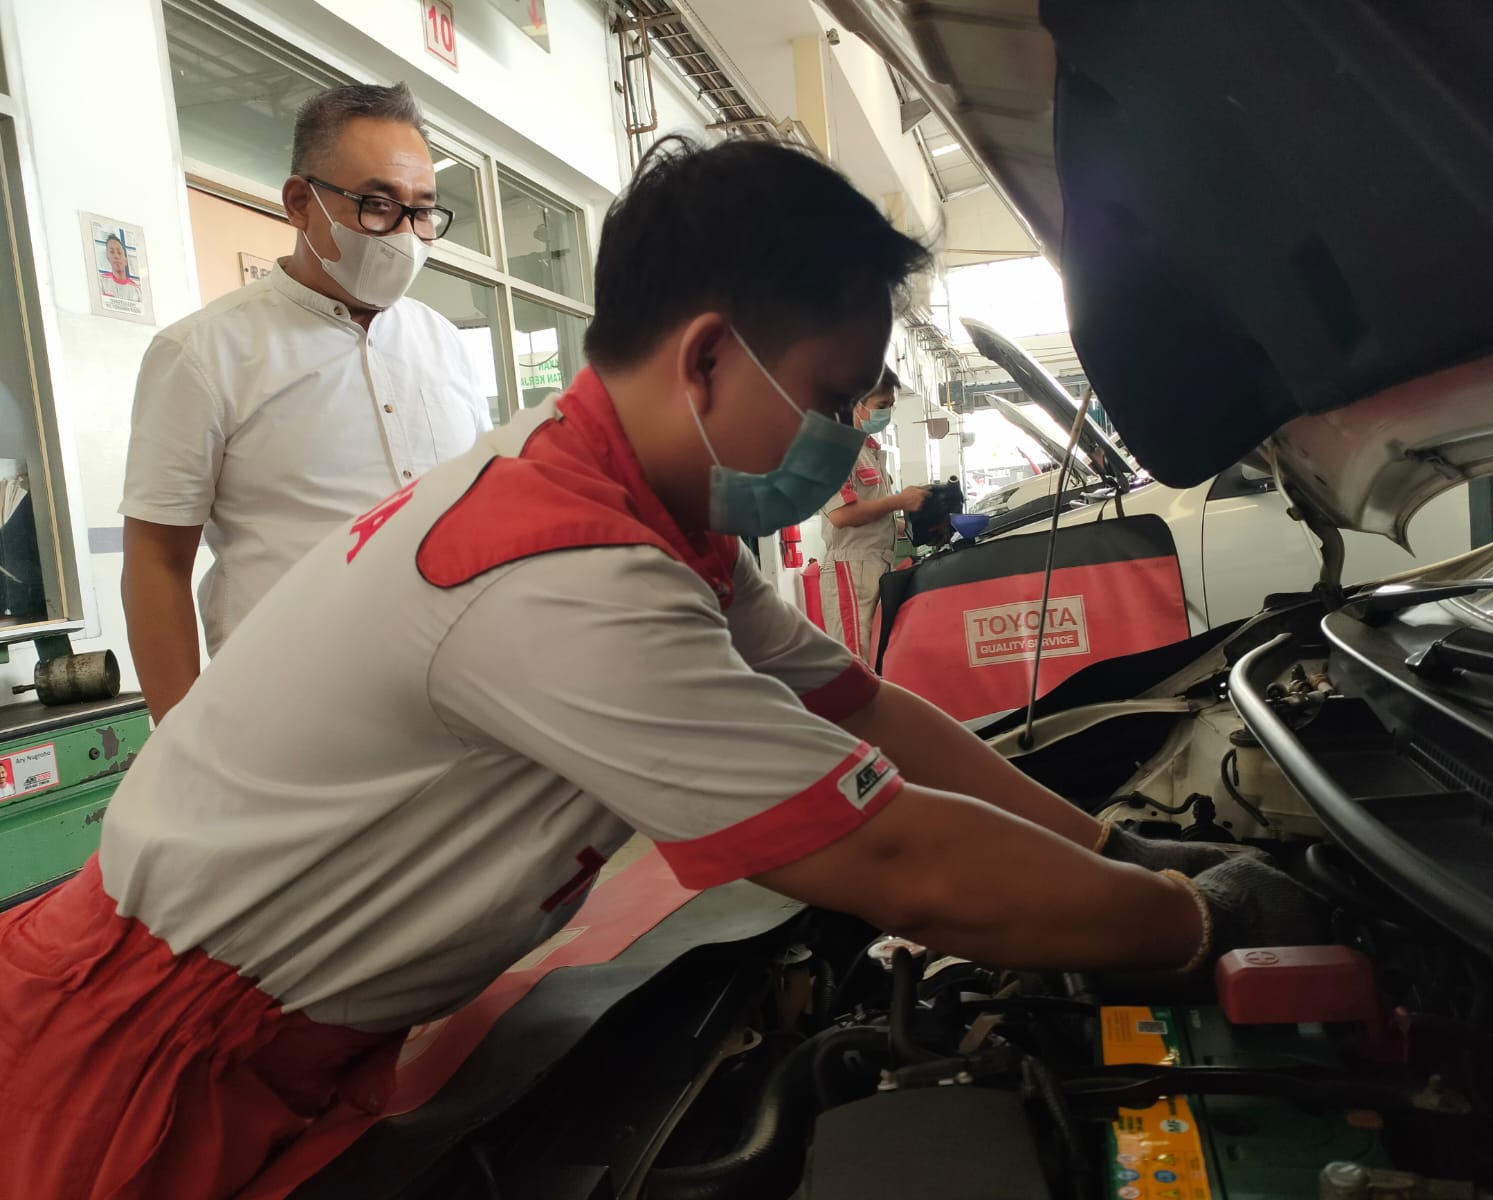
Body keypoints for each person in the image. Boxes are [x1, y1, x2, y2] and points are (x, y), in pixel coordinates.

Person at [0, 137, 1318, 1200]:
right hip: (137, 1075)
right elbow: (894, 860)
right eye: (837, 393)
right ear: (705, 355)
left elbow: (860, 706)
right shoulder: (567, 573)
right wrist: (1200, 928)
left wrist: (1116, 851)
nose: (854, 438)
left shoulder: (626, 499)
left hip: (276, 1037)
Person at [118, 82, 489, 723]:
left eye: (422, 210)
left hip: (455, 705)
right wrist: (179, 746)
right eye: (377, 204)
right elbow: (156, 560)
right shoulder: (205, 353)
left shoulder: (444, 343)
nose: (406, 234)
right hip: (291, 721)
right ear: (299, 202)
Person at [818, 368, 928, 658]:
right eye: (882, 406)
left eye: (891, 405)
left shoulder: (866, 449)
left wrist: (907, 522)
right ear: (856, 402)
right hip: (851, 570)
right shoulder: (833, 448)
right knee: (859, 660)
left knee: (877, 658)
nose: (888, 412)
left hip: (875, 568)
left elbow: (870, 512)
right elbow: (842, 515)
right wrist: (898, 501)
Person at [98, 233, 142, 306]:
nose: (116, 256)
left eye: (119, 253)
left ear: (125, 260)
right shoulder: (101, 282)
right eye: (112, 252)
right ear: (108, 257)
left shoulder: (136, 289)